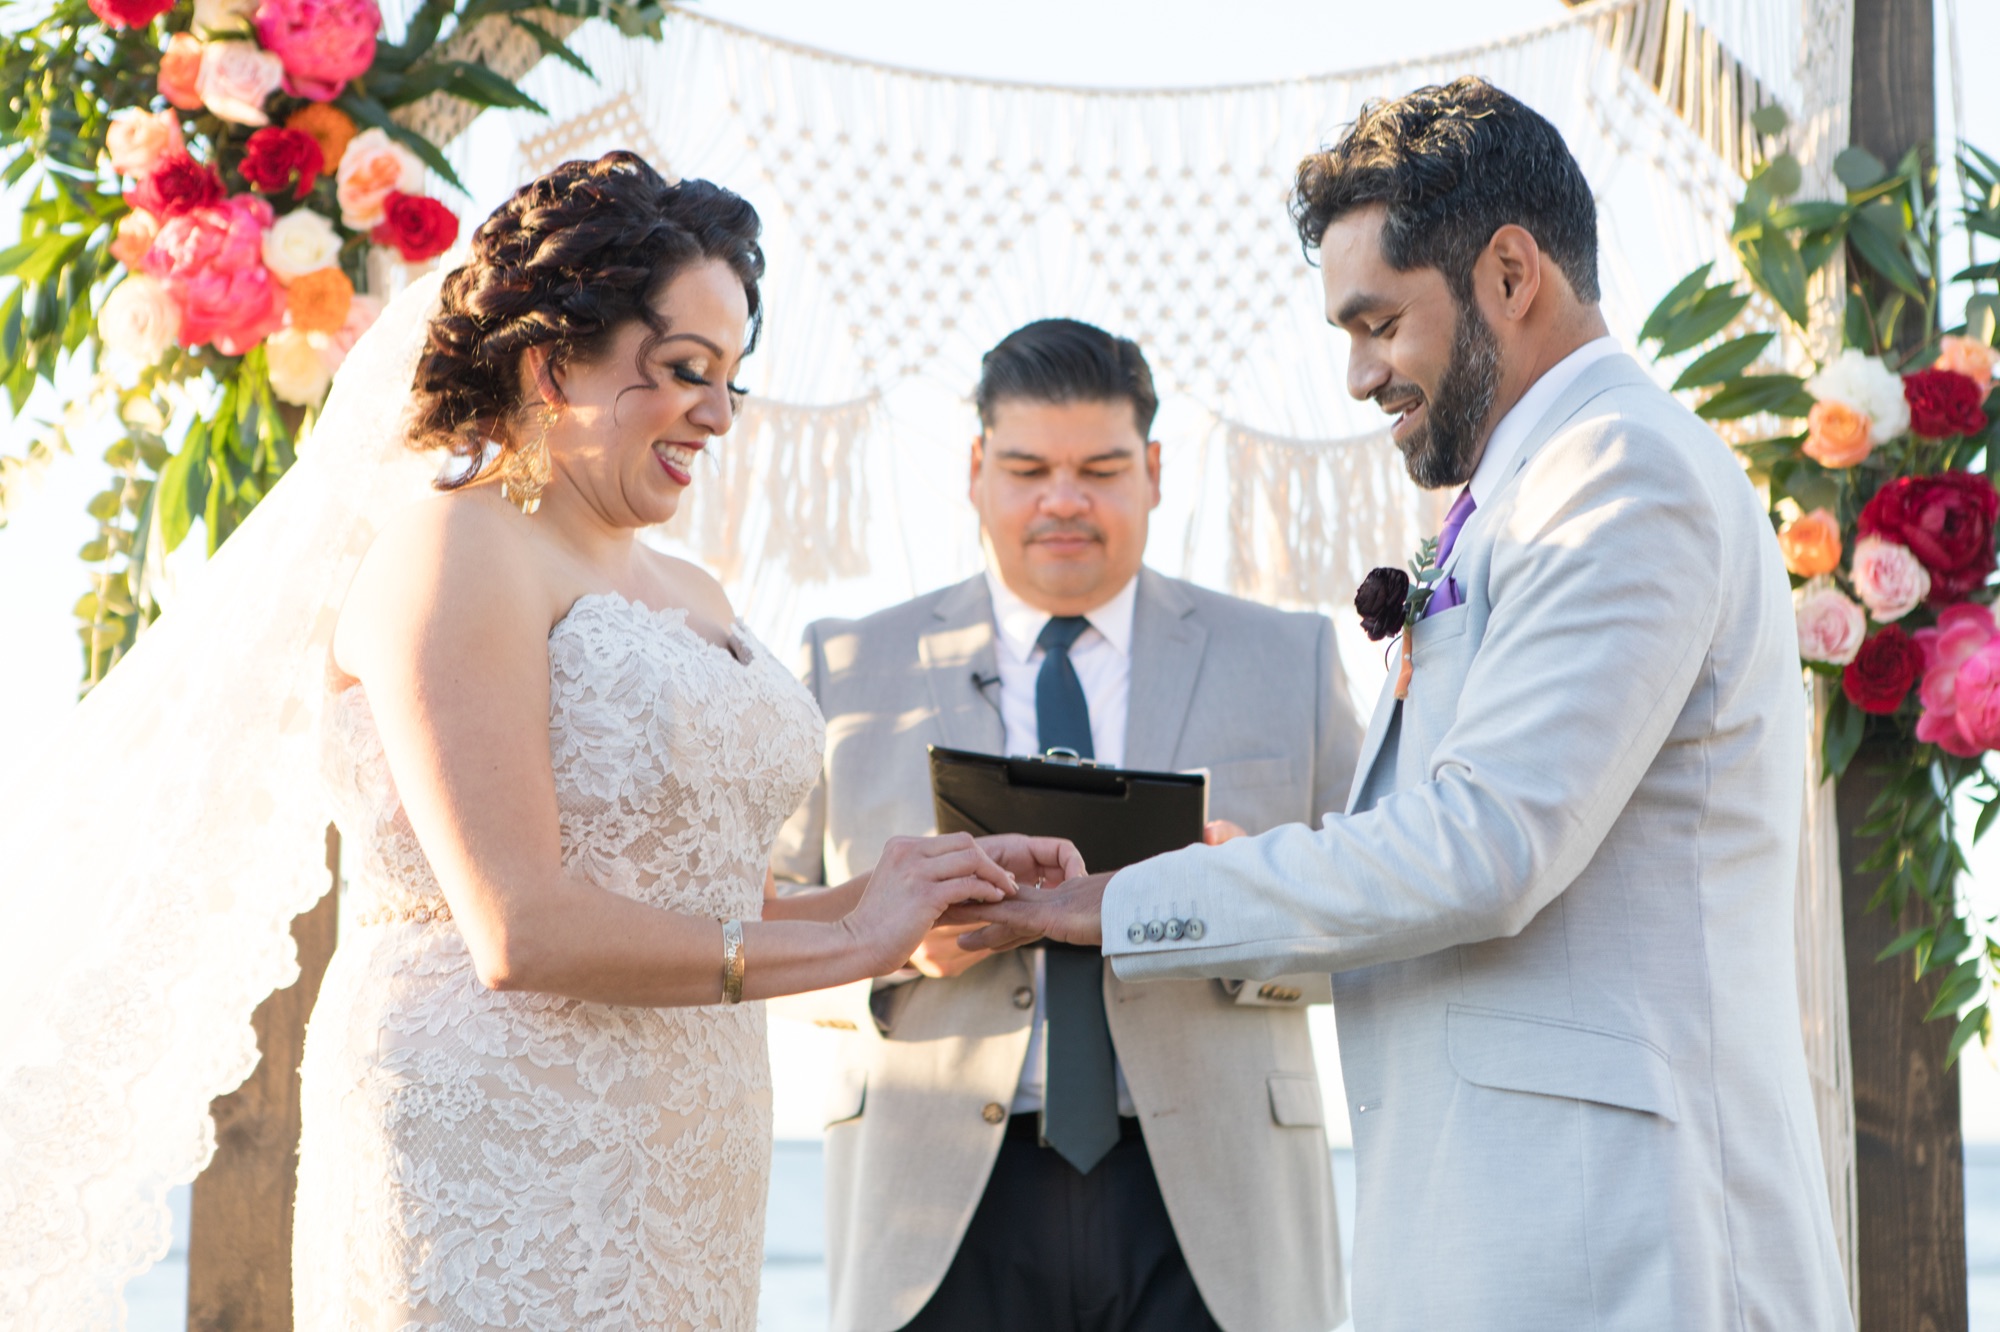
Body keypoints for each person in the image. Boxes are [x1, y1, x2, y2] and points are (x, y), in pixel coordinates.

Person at [956, 80, 1853, 1329]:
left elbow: (1483, 850)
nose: (1357, 374)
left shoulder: (1621, 476)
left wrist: (1126, 902)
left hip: (1615, 1238)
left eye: (1376, 322)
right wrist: (1256, 873)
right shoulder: (1521, 489)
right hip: (1495, 1220)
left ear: (1505, 272)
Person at [290, 153, 1079, 1332]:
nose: (717, 415)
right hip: (501, 1137)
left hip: (691, 1134)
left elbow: (687, 888)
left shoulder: (693, 586)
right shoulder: (451, 550)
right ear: (553, 361)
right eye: (682, 372)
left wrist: (898, 898)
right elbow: (521, 925)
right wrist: (857, 943)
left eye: (730, 381)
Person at [770, 318, 1363, 1332]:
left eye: (1098, 467)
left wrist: (1241, 906)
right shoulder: (845, 663)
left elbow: (1379, 909)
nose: (1062, 500)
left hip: (1216, 1198)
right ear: (973, 469)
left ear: (1154, 470)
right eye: (1027, 467)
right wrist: (895, 946)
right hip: (938, 1198)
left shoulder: (1290, 658)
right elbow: (753, 928)